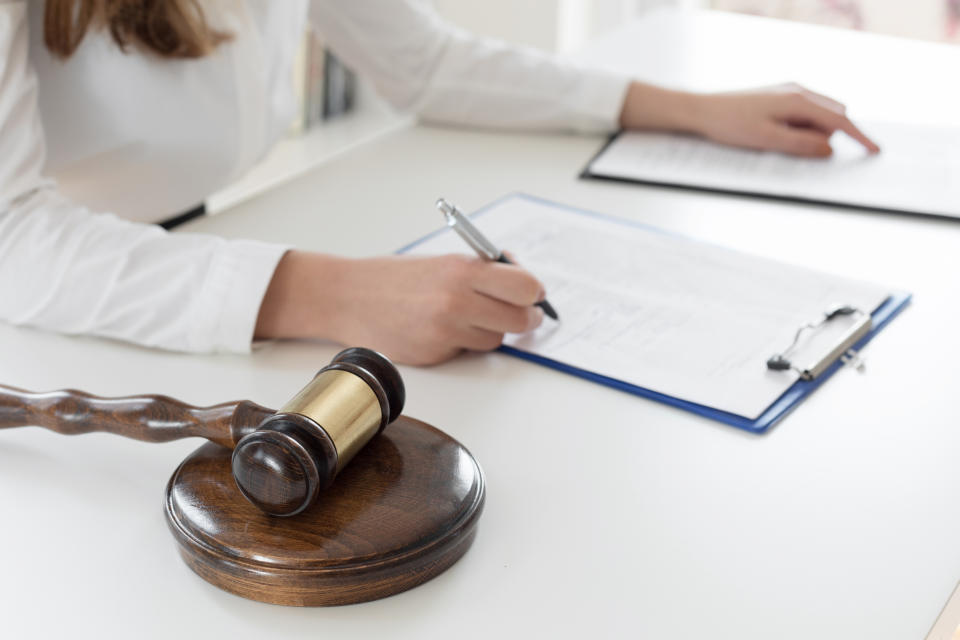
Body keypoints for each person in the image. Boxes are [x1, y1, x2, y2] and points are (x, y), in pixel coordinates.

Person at [0, 0, 879, 365]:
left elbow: (426, 64)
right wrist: (330, 293)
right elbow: (10, 240)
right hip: (56, 318)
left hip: (182, 273)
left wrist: (686, 108)